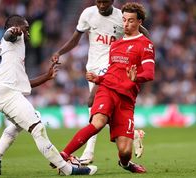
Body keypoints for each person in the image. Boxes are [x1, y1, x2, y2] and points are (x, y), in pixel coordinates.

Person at [0, 15, 97, 176]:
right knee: (38, 129)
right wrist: (15, 31)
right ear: (17, 27)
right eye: (26, 28)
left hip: (2, 93)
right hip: (8, 94)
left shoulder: (11, 52)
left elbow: (24, 83)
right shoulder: (13, 37)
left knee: (18, 125)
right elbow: (9, 33)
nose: (28, 33)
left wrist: (46, 76)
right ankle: (68, 170)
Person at [59, 2, 155, 173]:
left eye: (131, 21)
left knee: (125, 152)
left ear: (140, 22)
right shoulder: (116, 45)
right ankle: (64, 155)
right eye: (124, 21)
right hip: (107, 89)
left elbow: (149, 73)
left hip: (126, 99)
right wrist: (98, 79)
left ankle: (125, 163)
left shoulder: (145, 45)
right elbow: (112, 72)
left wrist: (136, 77)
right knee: (98, 122)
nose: (125, 24)